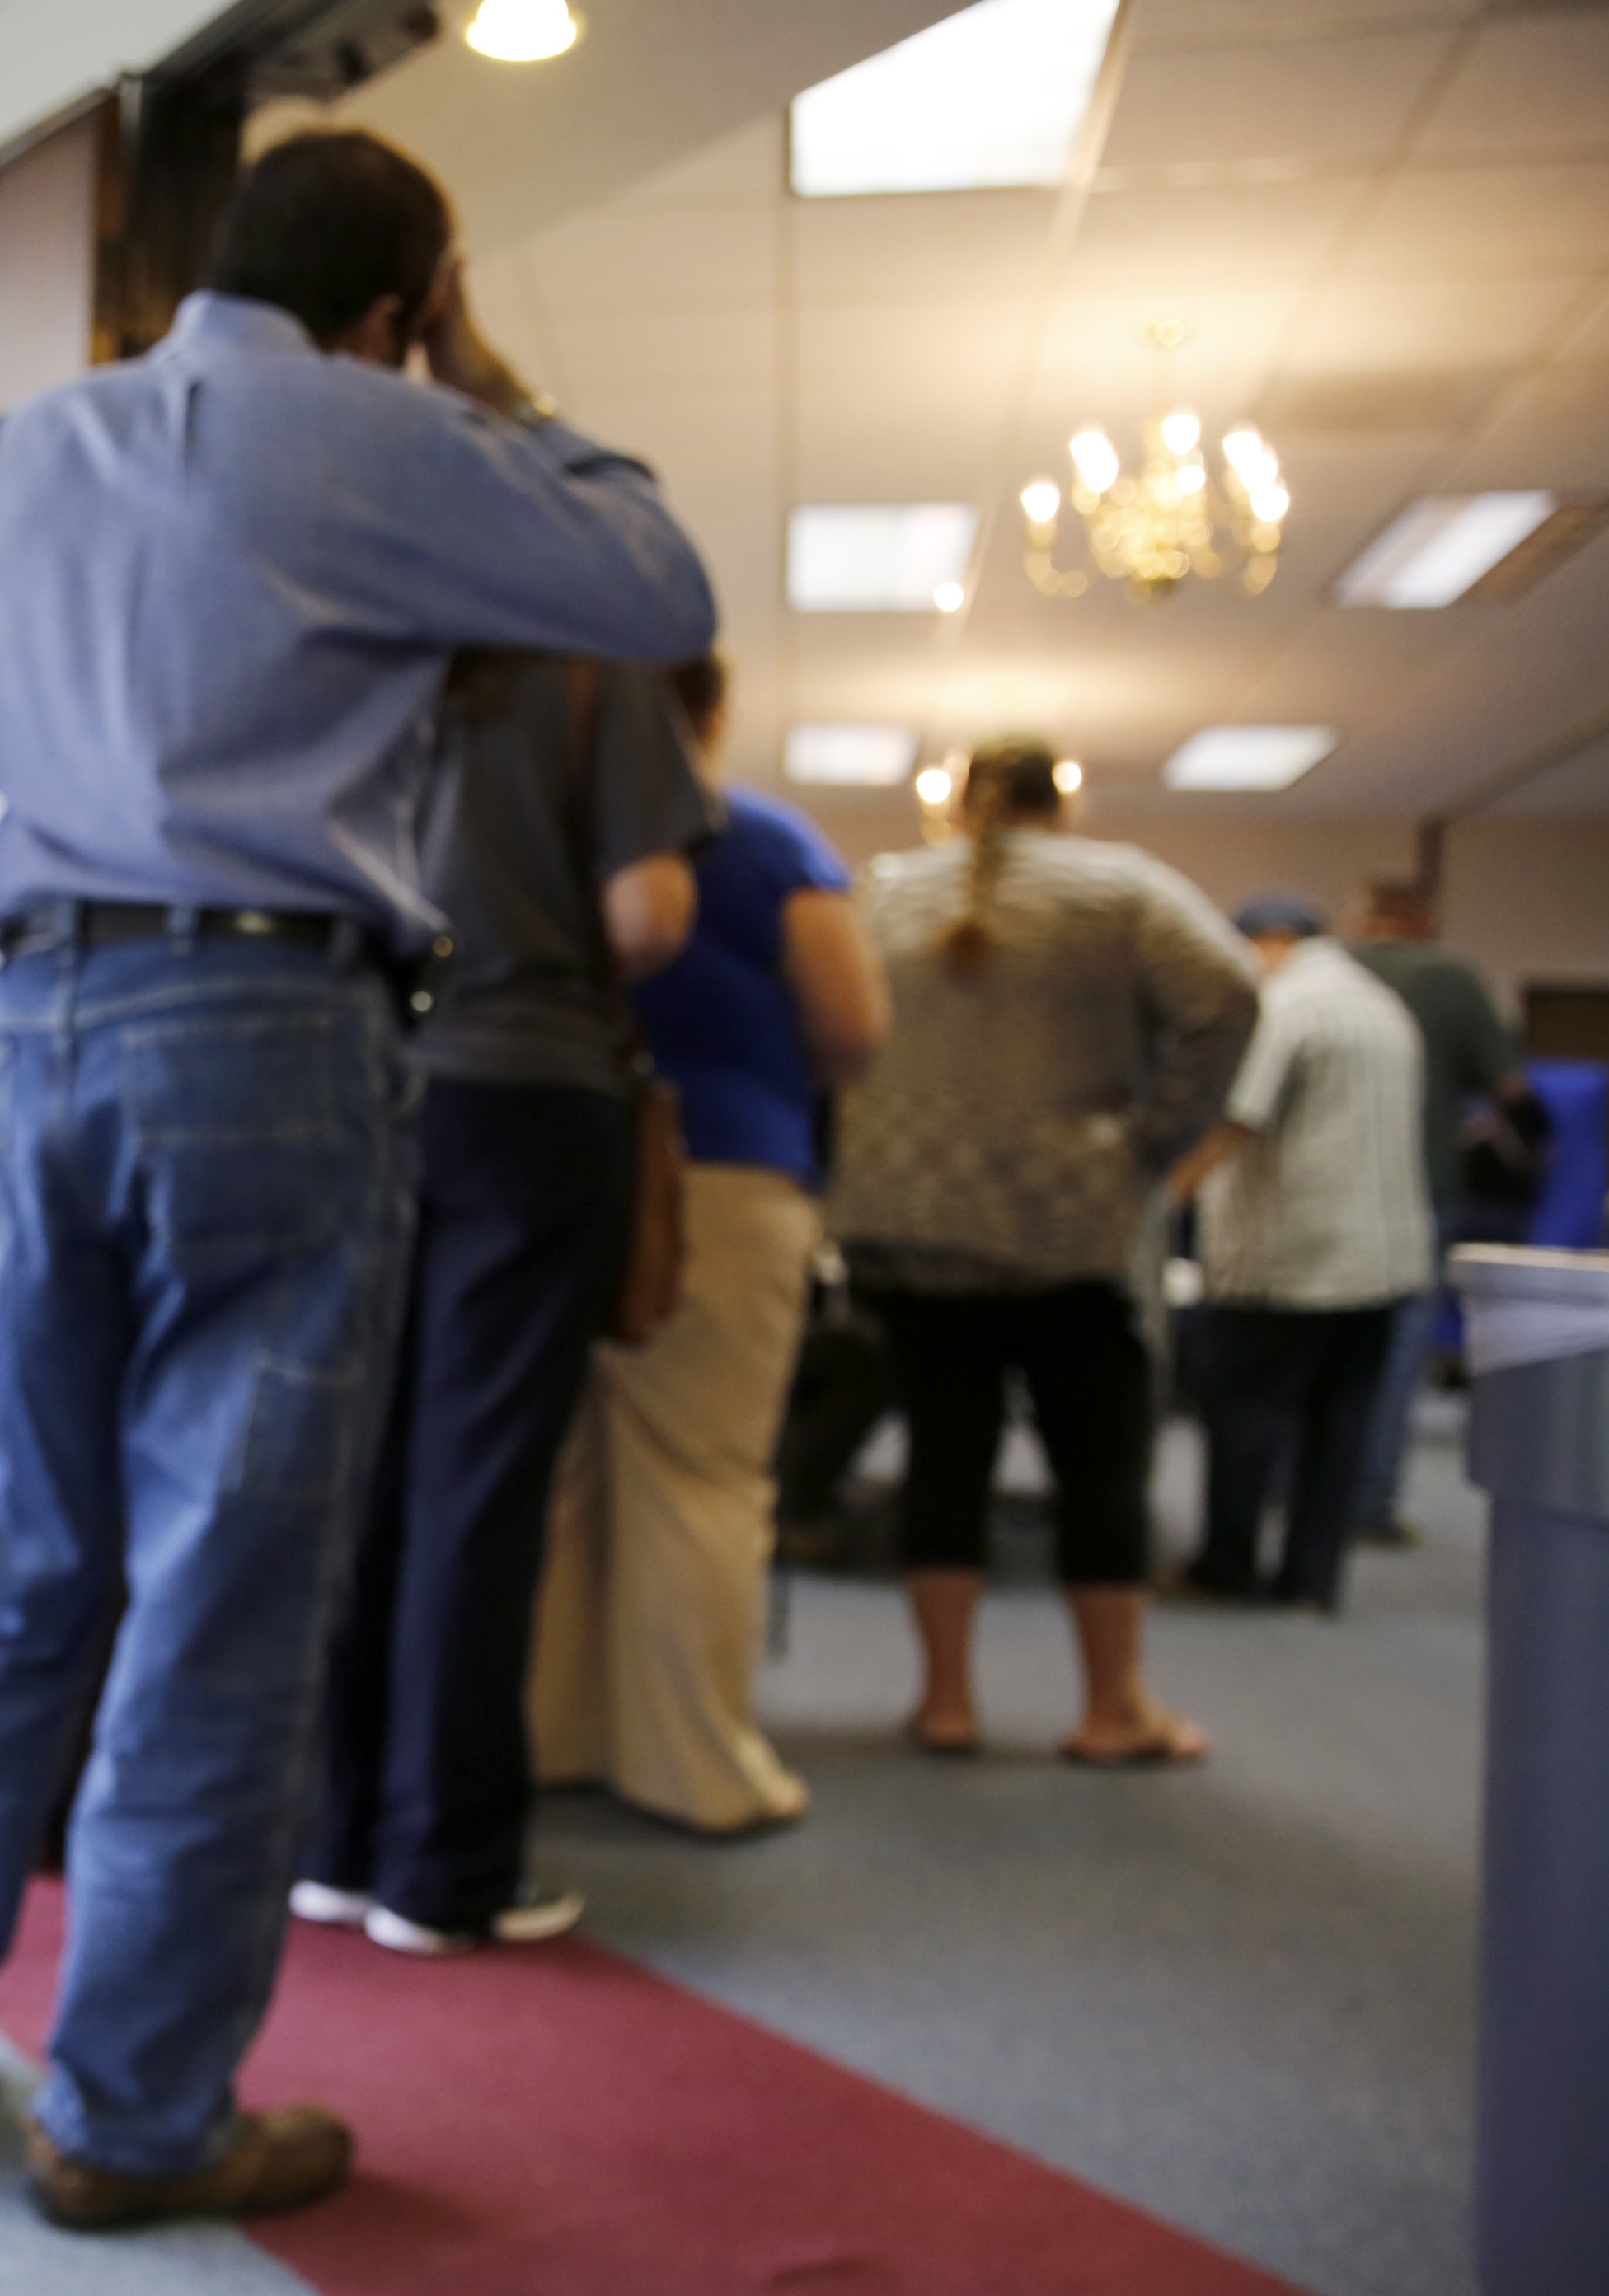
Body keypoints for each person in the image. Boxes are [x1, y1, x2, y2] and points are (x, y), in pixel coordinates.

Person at [0, 129, 714, 2231]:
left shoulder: (18, 446)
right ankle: (128, 2122)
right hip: (280, 1041)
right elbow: (658, 581)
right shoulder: (382, 434)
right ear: (401, 305)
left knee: (19, 1570)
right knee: (219, 1605)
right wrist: (470, 381)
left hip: (34, 1034)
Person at [291, 650, 708, 1959]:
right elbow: (649, 913)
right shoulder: (589, 666)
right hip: (527, 1085)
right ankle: (446, 1866)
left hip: (352, 1081)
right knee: (480, 1486)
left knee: (358, 1468)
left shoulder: (344, 648)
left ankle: (336, 1843)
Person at [827, 735, 1256, 1767]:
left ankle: (946, 1702)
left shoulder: (883, 891)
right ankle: (1113, 1709)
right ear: (1058, 801)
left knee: (942, 1459)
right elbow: (1230, 994)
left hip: (913, 1224)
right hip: (1069, 1227)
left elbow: (829, 1024)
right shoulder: (1120, 888)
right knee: (1101, 1467)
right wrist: (1155, 1137)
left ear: (959, 802)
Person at [525, 657, 887, 1836]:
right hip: (720, 1174)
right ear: (715, 710)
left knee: (563, 1469)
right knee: (702, 1471)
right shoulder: (765, 840)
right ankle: (693, 1764)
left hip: (553, 1165)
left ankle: (555, 1737)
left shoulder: (538, 833)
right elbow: (851, 1029)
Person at [1168, 893, 1429, 1614]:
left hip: (1289, 1258)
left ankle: (1228, 1566)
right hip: (1383, 1259)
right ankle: (1311, 1581)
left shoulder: (1283, 1007)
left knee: (1245, 1415)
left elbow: (1234, 1120)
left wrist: (1163, 1201)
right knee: (1340, 1424)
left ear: (1273, 941)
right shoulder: (1380, 1008)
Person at [1346, 879, 1533, 1543]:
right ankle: (1369, 1506)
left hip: (1324, 1192)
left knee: (1303, 1349)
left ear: (1365, 916)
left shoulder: (1332, 971)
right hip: (1419, 1190)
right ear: (1425, 919)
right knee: (1395, 1351)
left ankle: (1297, 1498)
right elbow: (1509, 1086)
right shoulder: (1454, 979)